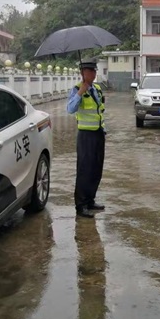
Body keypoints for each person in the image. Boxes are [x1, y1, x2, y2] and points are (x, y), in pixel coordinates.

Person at [67, 58, 106, 219]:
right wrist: (80, 93)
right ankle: (81, 205)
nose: (94, 73)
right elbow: (70, 109)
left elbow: (99, 110)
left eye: (95, 71)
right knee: (84, 170)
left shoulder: (97, 88)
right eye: (91, 71)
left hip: (98, 133)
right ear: (83, 73)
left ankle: (90, 200)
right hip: (85, 135)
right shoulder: (77, 89)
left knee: (96, 169)